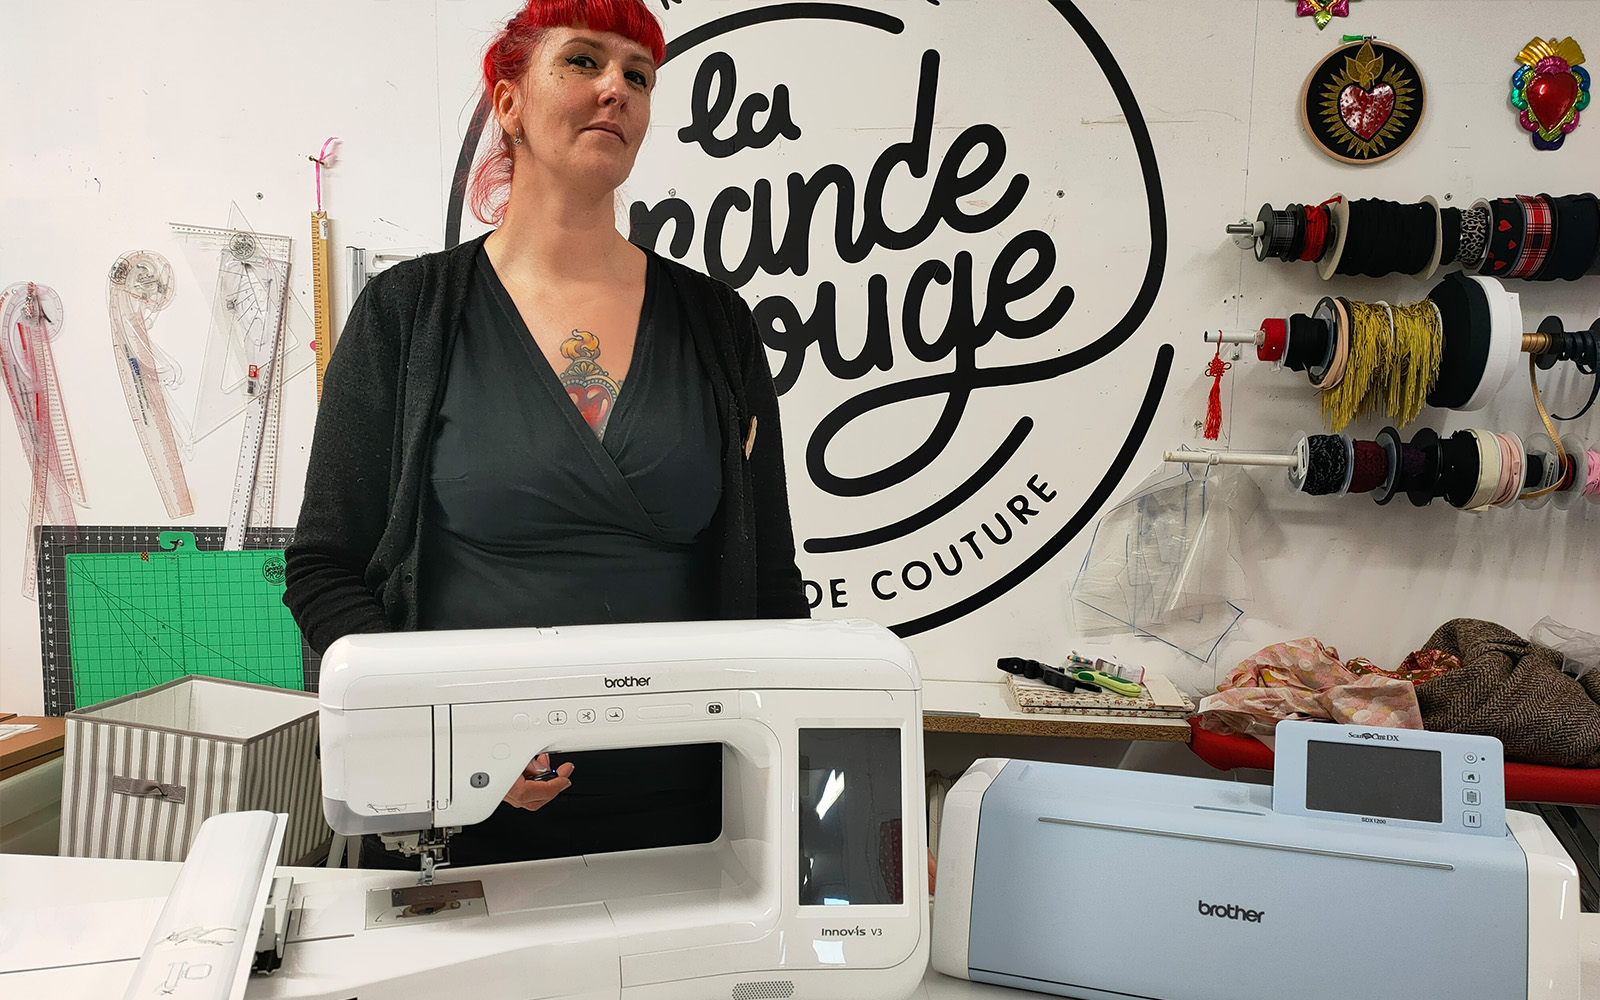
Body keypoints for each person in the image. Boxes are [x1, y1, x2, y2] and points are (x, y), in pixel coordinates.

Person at [283, 0, 809, 868]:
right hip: (458, 814)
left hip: (690, 815)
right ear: (509, 101)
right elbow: (323, 567)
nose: (617, 90)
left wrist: (841, 796)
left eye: (638, 76)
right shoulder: (408, 315)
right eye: (582, 62)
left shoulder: (717, 324)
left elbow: (772, 584)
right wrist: (452, 734)